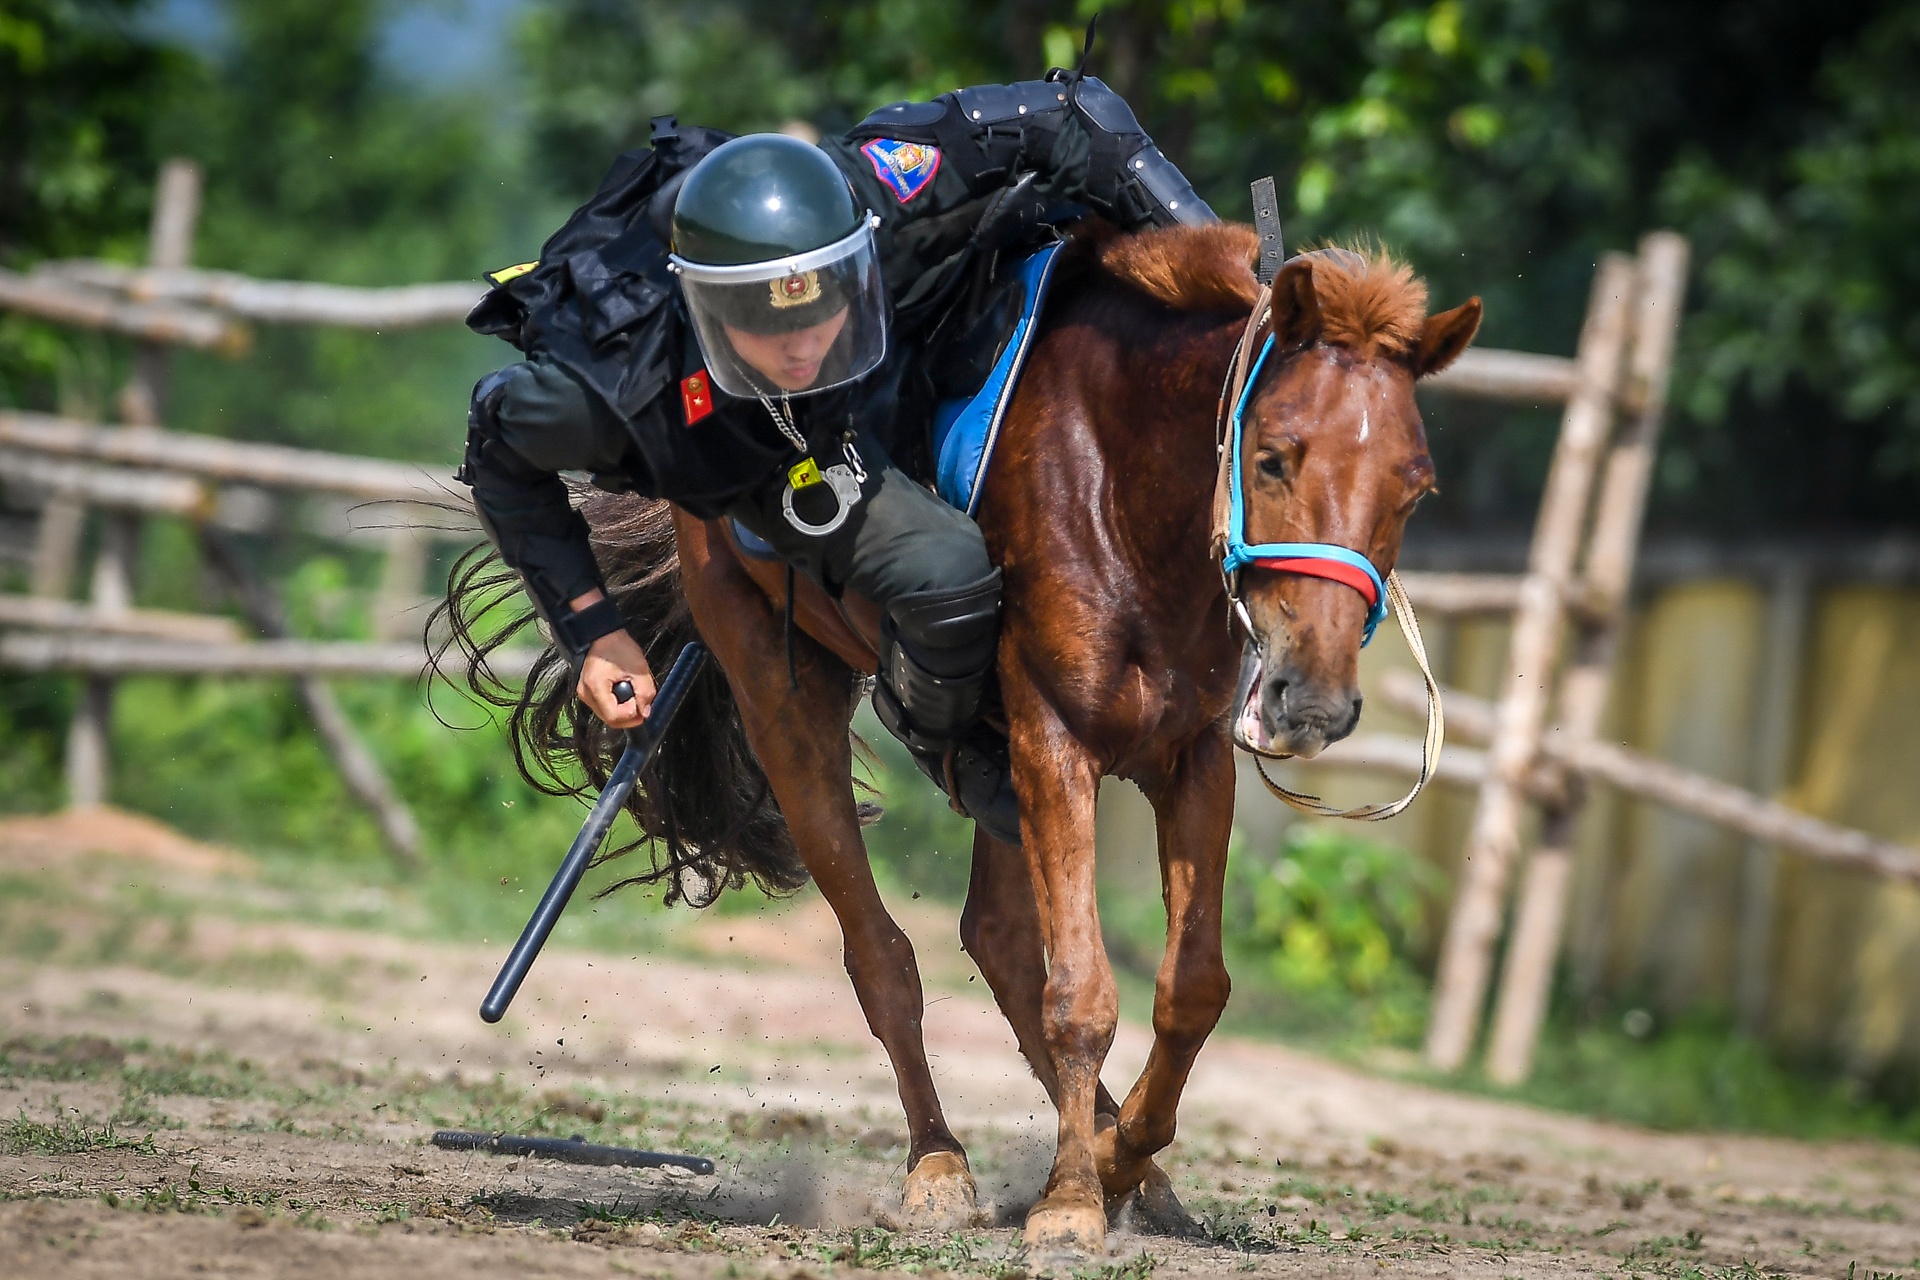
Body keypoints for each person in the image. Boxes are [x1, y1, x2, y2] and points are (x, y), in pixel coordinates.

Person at [460, 71, 1215, 846]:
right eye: (762, 320)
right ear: (706, 305)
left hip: (911, 320)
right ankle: (951, 745)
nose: (803, 343)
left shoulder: (885, 187)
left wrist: (1237, 287)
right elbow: (497, 455)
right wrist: (592, 632)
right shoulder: (605, 393)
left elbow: (1073, 114)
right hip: (767, 441)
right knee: (948, 573)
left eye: (820, 302)